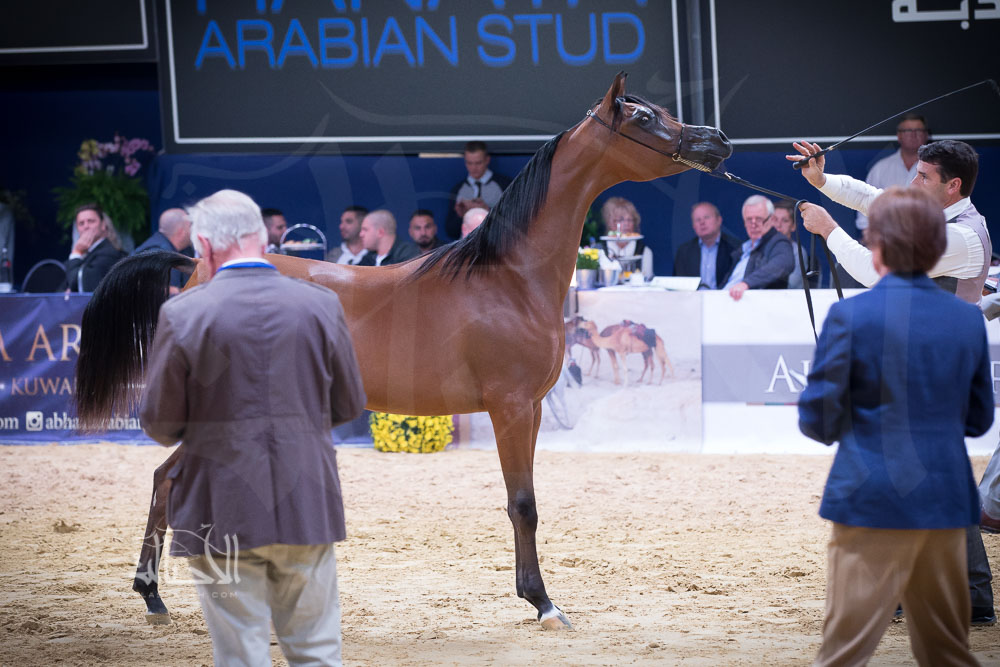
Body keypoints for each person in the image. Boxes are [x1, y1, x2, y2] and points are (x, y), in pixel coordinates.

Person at [139, 189, 366, 666]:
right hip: (307, 502)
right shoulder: (321, 304)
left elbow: (160, 424)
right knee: (318, 651)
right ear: (263, 239)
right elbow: (348, 405)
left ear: (204, 245)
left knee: (239, 654)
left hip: (219, 512)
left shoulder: (182, 313)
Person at [792, 138, 996, 627]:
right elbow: (872, 198)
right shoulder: (933, 217)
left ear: (953, 186)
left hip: (930, 360)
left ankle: (946, 591)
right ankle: (966, 593)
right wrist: (822, 180)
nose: (912, 183)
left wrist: (829, 230)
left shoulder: (961, 236)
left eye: (923, 177)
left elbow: (876, 274)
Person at [855, 114, 930, 231]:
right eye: (908, 131)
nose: (913, 135)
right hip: (887, 237)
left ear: (926, 135)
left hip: (927, 235)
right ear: (899, 136)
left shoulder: (935, 169)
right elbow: (864, 215)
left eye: (918, 130)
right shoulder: (880, 168)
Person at [721, 195, 794, 300]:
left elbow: (783, 263)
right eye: (749, 220)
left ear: (771, 219)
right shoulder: (743, 249)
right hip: (723, 300)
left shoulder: (778, 242)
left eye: (759, 219)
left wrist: (746, 283)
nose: (753, 225)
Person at [446, 141, 511, 239]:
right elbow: (451, 231)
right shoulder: (458, 189)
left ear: (487, 160)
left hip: (496, 243)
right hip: (466, 245)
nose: (474, 168)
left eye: (478, 163)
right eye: (469, 163)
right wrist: (460, 216)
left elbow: (515, 224)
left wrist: (487, 211)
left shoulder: (505, 185)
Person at [673, 202, 741, 289]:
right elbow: (677, 285)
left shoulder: (736, 248)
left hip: (724, 297)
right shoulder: (684, 251)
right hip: (692, 297)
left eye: (706, 217)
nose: (702, 222)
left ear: (719, 220)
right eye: (698, 220)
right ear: (693, 226)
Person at [62, 203, 127, 292]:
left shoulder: (109, 252)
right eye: (81, 223)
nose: (86, 226)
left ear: (103, 224)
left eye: (91, 221)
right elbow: (62, 287)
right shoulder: (87, 253)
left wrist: (76, 252)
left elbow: (79, 285)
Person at [133, 208, 194, 294]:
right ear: (181, 232)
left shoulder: (156, 245)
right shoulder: (164, 257)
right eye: (190, 226)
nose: (193, 230)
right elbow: (169, 297)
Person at [600, 197, 654, 281]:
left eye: (629, 220)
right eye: (620, 220)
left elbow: (647, 280)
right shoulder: (599, 251)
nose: (626, 224)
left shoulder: (644, 252)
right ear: (609, 222)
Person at [770, 200, 810, 290]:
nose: (778, 225)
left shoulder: (797, 252)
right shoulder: (758, 247)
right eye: (775, 219)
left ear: (793, 226)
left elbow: (791, 285)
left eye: (785, 221)